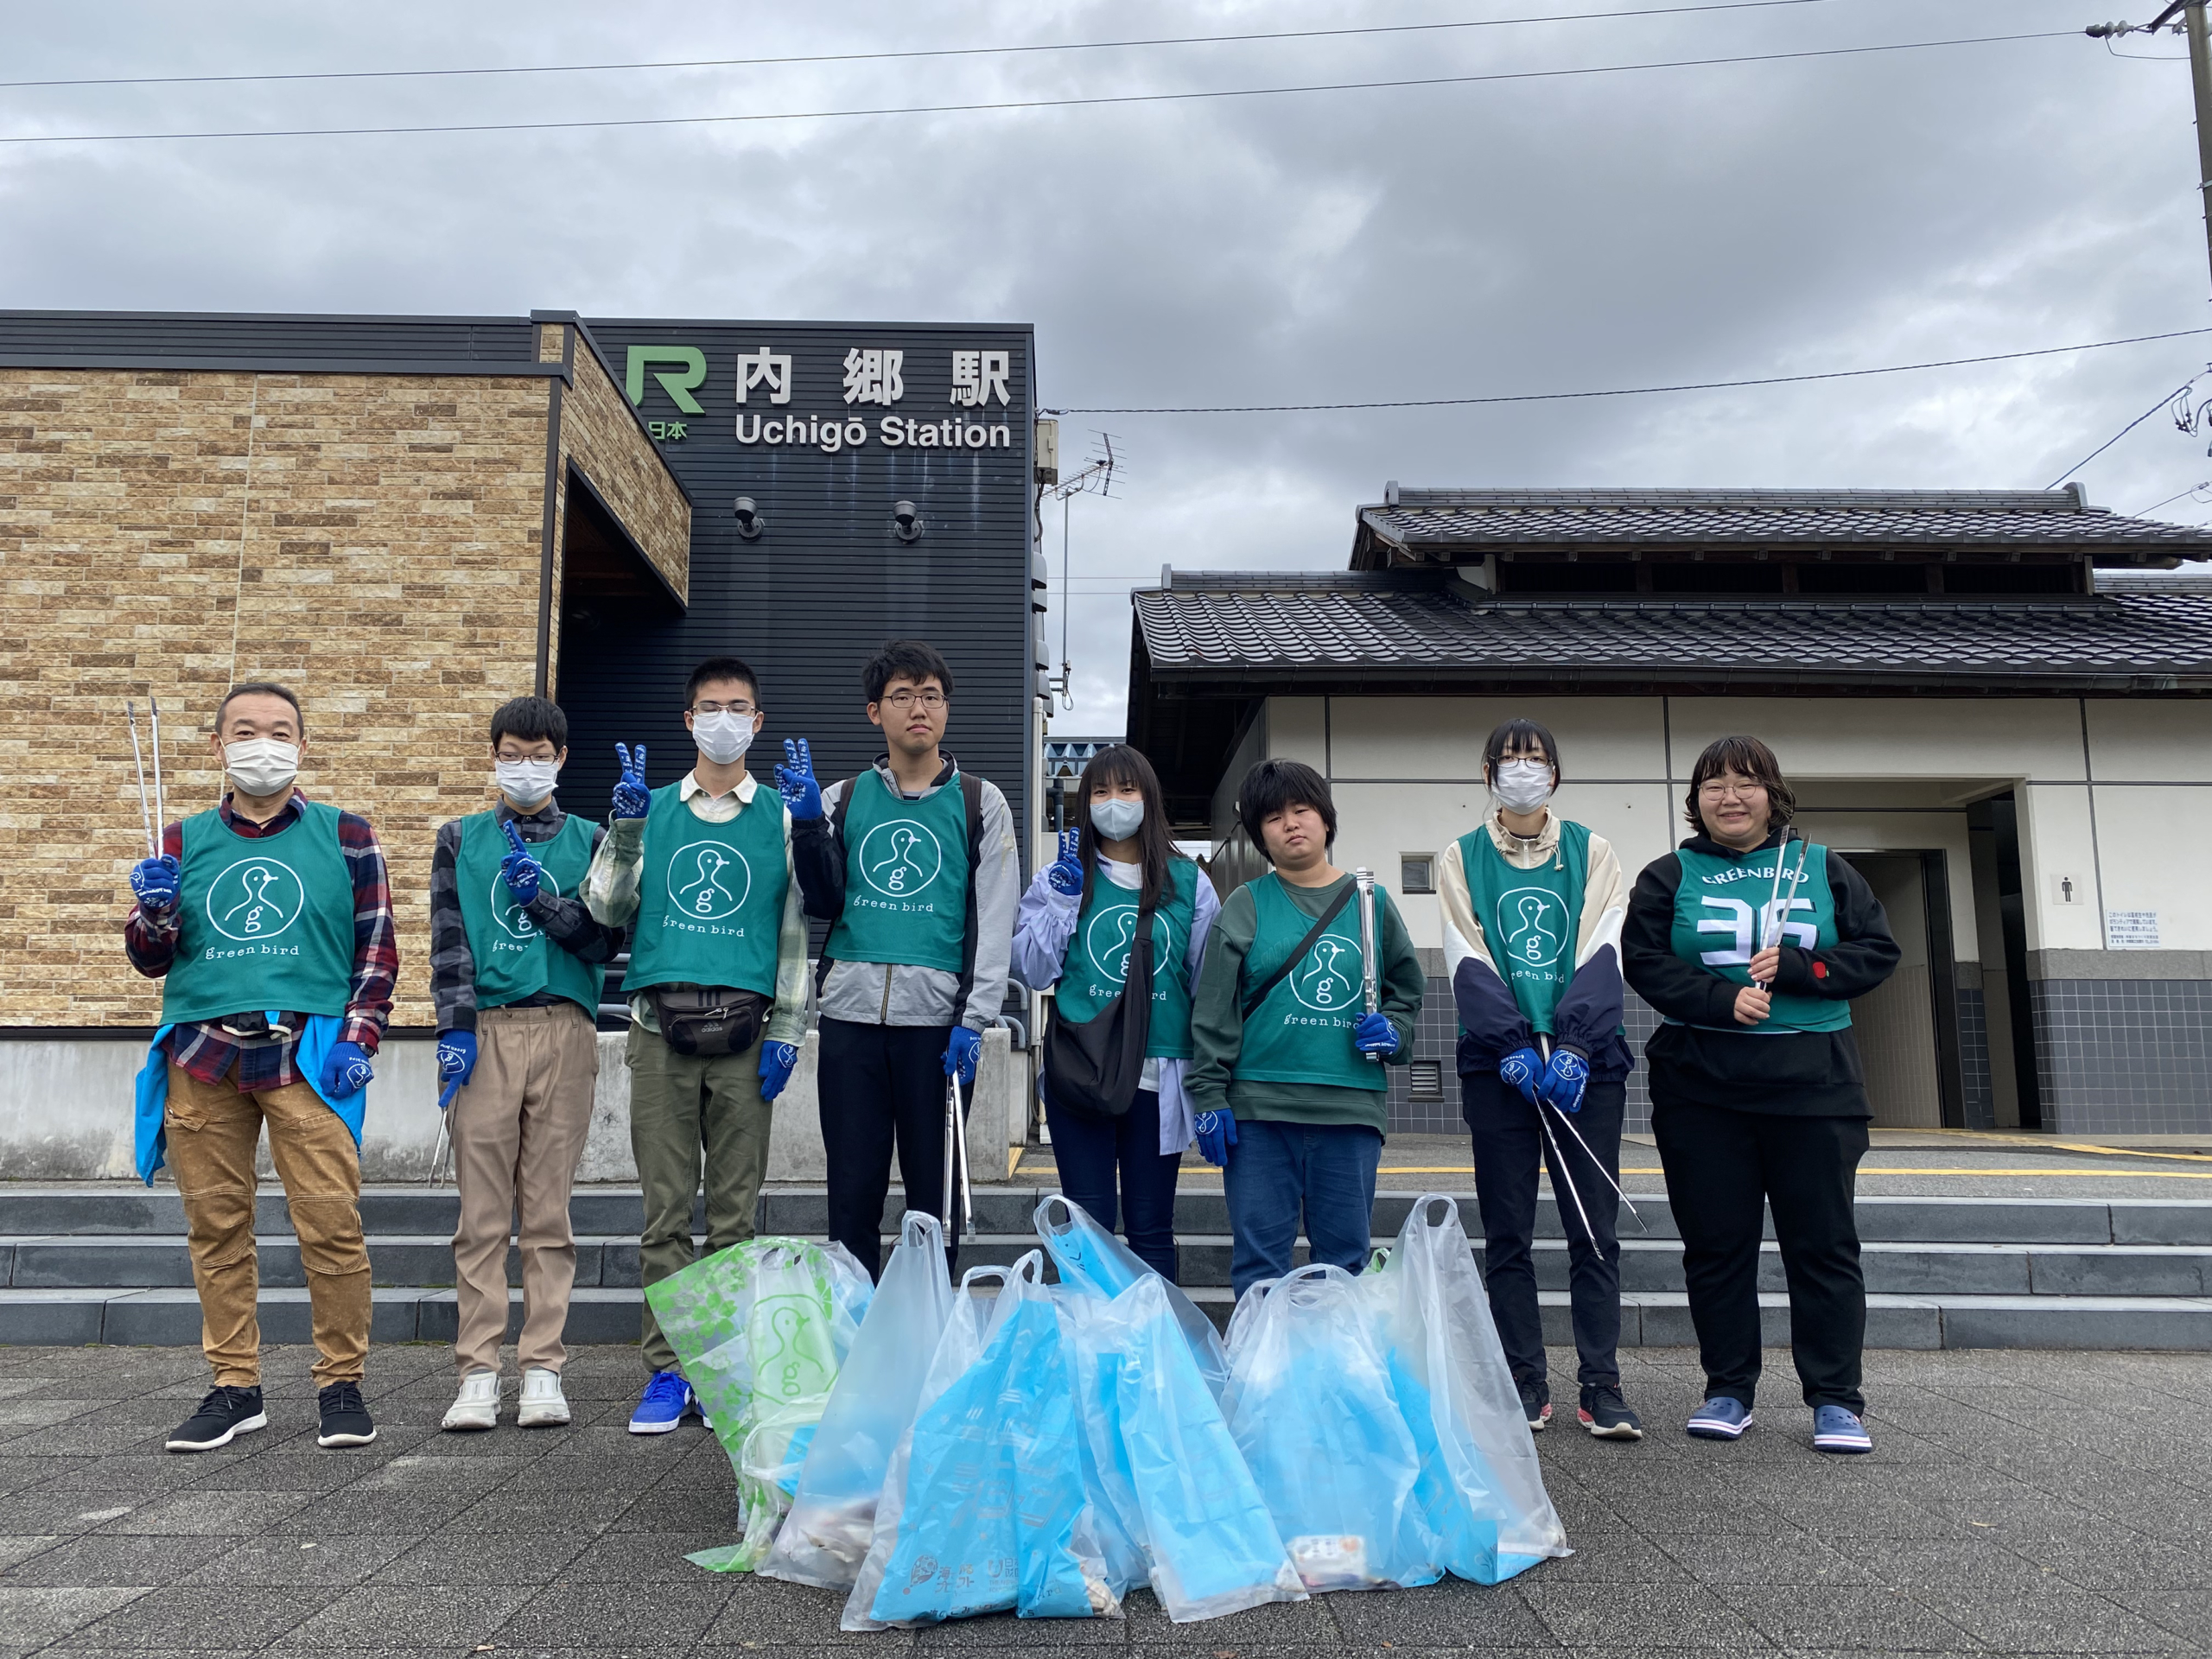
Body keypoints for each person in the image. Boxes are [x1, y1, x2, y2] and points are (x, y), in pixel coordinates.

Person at [124, 683, 395, 1452]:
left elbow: (376, 948)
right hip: (203, 1058)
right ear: (218, 747)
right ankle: (234, 1386)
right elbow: (150, 960)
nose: (262, 744)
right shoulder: (181, 839)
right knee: (215, 1226)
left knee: (332, 1226)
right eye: (244, 731)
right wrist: (153, 912)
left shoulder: (347, 835)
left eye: (279, 731)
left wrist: (360, 1038)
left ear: (302, 746)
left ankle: (341, 1384)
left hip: (308, 1054)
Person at [1622, 734, 1899, 1455]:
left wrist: (1807, 969)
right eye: (1714, 784)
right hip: (1701, 1092)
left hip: (1815, 1087)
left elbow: (1877, 950)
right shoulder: (1667, 875)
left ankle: (1836, 1399)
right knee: (1717, 1248)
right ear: (1696, 801)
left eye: (1747, 782)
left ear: (1773, 794)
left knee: (1824, 1247)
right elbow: (1644, 961)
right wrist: (1719, 999)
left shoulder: (1821, 867)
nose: (1731, 796)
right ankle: (1728, 1387)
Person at [582, 657, 809, 1435]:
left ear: (757, 721)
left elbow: (791, 932)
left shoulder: (780, 815)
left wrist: (789, 1029)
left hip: (748, 1035)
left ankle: (726, 1369)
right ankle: (668, 1371)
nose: (723, 719)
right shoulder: (645, 809)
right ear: (688, 720)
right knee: (665, 1212)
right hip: (658, 1032)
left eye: (738, 706)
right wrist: (623, 834)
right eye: (709, 706)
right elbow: (608, 911)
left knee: (736, 1218)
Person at [779, 639, 1019, 1279]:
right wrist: (806, 828)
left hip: (938, 1030)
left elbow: (996, 917)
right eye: (903, 695)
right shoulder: (841, 798)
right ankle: (856, 1337)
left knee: (933, 1199)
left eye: (932, 695)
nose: (920, 708)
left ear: (947, 709)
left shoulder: (980, 802)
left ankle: (929, 1330)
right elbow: (817, 900)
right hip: (851, 1022)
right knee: (851, 1192)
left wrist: (977, 1018)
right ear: (873, 712)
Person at [429, 696, 623, 1433]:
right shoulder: (461, 838)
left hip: (565, 1027)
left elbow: (606, 942)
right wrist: (455, 1028)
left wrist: (544, 902)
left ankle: (542, 1366)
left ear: (562, 759)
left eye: (540, 754)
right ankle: (477, 1372)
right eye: (513, 752)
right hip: (487, 1031)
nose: (526, 766)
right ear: (493, 756)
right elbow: (450, 941)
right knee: (480, 1217)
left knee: (548, 1213)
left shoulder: (591, 840)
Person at [1443, 718, 1640, 1440]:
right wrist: (1509, 1042)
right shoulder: (1459, 856)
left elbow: (1603, 942)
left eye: (1535, 759)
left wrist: (1579, 1046)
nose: (1522, 769)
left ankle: (1602, 1385)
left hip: (1588, 1067)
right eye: (1508, 759)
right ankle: (1525, 1380)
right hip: (1500, 1070)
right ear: (1488, 773)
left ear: (1555, 774)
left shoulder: (1596, 850)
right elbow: (1466, 951)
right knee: (1509, 1232)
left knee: (1594, 1229)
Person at [1188, 758, 1425, 1299]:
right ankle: (1259, 1380)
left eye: (1302, 809)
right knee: (1259, 1267)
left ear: (1325, 818)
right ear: (1259, 836)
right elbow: (1214, 1010)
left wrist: (1394, 1030)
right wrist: (1208, 1096)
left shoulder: (1372, 901)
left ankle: (1336, 1382)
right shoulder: (1246, 905)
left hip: (1348, 1110)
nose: (1291, 824)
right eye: (1273, 817)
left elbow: (1407, 991)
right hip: (1258, 1114)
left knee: (1344, 1266)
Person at [1010, 744, 1217, 1280]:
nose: (1114, 802)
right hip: (1081, 1072)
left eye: (1127, 790)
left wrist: (1213, 1087)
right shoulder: (1063, 876)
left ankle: (1152, 1353)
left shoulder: (1190, 884)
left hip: (1161, 1076)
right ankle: (1086, 1350)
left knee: (1152, 1226)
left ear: (1149, 798)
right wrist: (1059, 902)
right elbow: (1032, 970)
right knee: (1087, 1223)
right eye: (1100, 791)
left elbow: (1206, 987)